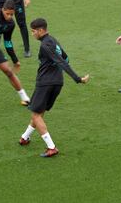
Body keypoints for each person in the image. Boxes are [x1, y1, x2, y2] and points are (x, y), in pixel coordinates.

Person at [19, 18, 89, 157]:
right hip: (57, 82)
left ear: (40, 30)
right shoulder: (53, 40)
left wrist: (78, 79)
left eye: (33, 31)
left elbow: (61, 61)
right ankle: (25, 137)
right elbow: (65, 57)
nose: (32, 34)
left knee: (36, 114)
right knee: (39, 112)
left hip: (45, 83)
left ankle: (51, 147)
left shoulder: (45, 45)